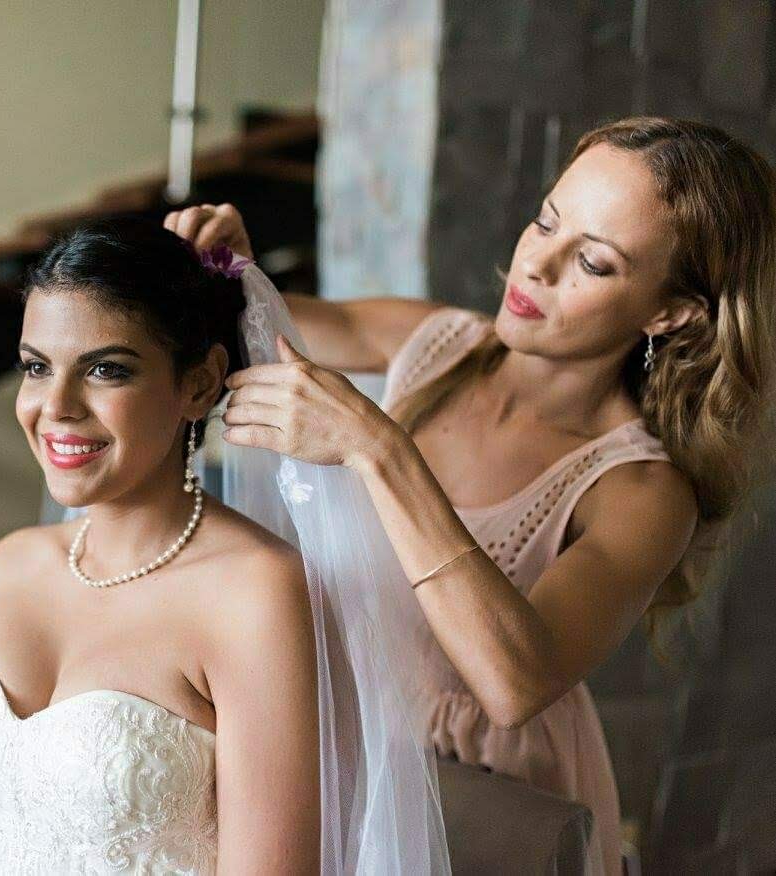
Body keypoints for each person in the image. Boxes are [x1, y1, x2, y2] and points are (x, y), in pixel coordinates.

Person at [167, 116, 776, 873]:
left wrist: (378, 449)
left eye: (591, 261)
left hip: (490, 799)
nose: (535, 266)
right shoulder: (432, 344)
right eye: (544, 221)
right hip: (349, 751)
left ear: (669, 312)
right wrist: (228, 265)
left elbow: (515, 682)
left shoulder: (640, 490)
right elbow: (264, 324)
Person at [0, 220, 322, 873]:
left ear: (200, 384)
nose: (55, 406)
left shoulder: (253, 589)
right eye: (36, 367)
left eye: (105, 370)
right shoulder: (10, 564)